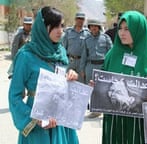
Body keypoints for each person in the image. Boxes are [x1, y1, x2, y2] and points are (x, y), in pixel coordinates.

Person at [8, 6, 79, 144]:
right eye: (55, 26)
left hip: (61, 120)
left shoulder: (60, 52)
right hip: (38, 123)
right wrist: (34, 119)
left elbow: (63, 81)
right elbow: (14, 96)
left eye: (61, 26)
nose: (60, 31)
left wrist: (71, 75)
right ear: (43, 27)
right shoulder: (26, 56)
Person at [101, 11, 147, 144]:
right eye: (120, 28)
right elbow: (103, 77)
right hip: (114, 118)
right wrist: (97, 85)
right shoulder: (112, 54)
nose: (122, 33)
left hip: (138, 120)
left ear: (139, 29)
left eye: (127, 29)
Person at [80, 19, 112, 118]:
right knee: (92, 89)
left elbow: (111, 53)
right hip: (90, 66)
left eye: (95, 26)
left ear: (99, 27)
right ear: (89, 28)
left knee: (104, 89)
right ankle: (95, 110)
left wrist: (110, 67)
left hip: (102, 66)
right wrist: (82, 69)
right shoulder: (87, 40)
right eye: (91, 26)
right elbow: (84, 55)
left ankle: (105, 108)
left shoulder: (105, 38)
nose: (93, 28)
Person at [62, 12, 91, 83]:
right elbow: (63, 48)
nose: (80, 20)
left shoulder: (87, 34)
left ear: (84, 20)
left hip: (81, 62)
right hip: (70, 60)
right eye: (78, 18)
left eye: (82, 19)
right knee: (67, 80)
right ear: (75, 19)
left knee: (80, 82)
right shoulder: (68, 32)